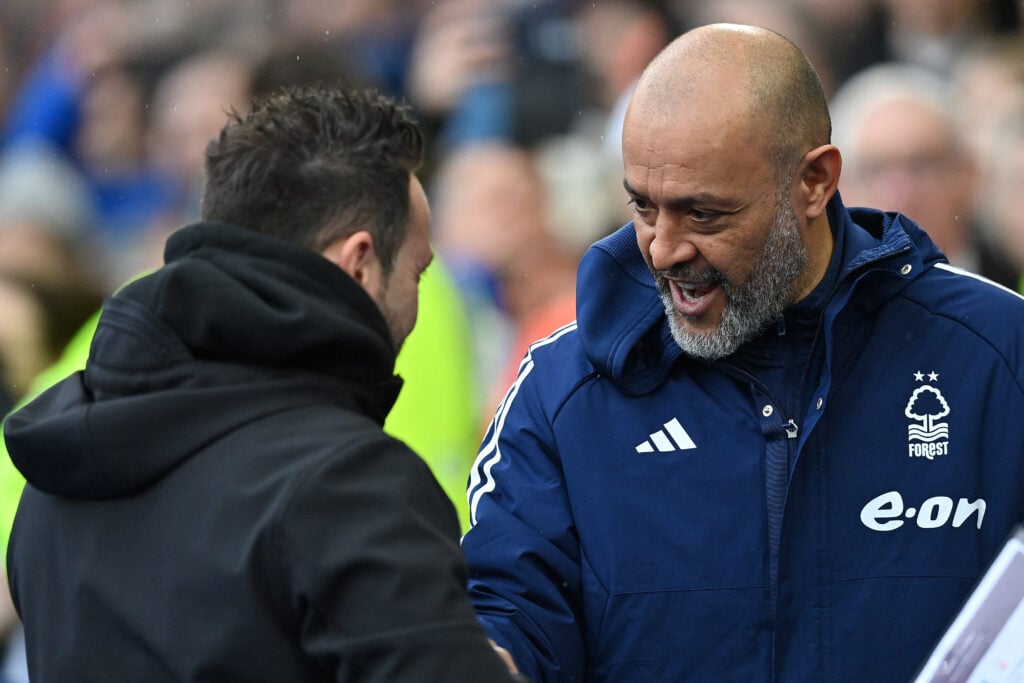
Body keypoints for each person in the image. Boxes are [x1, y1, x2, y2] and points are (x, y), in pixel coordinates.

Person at [461, 23, 1024, 682]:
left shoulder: (998, 356)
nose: (664, 249)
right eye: (643, 207)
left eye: (704, 214)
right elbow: (504, 619)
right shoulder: (562, 395)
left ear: (815, 181)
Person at [3, 85, 527, 682]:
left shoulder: (53, 476)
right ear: (358, 262)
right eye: (418, 271)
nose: (417, 299)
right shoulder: (349, 486)